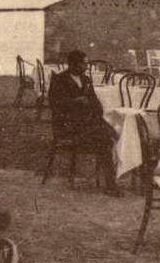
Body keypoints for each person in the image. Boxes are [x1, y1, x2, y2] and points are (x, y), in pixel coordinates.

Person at [47, 50, 122, 196]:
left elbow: (96, 104)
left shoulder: (86, 80)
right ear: (73, 64)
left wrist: (93, 108)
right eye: (84, 64)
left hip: (85, 124)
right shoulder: (59, 79)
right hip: (67, 125)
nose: (86, 67)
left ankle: (111, 181)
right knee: (105, 139)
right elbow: (54, 104)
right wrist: (75, 102)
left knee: (110, 135)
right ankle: (110, 183)